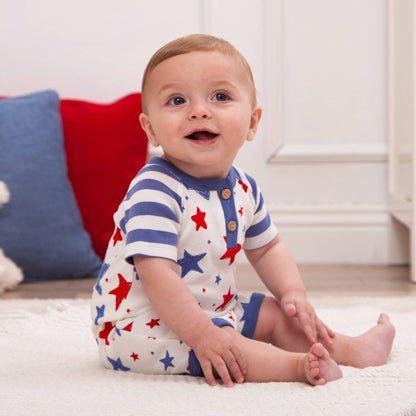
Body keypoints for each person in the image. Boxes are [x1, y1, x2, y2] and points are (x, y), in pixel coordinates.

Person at [91, 34, 395, 387]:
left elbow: (267, 248)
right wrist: (204, 336)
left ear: (251, 123)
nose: (199, 111)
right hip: (142, 327)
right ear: (151, 129)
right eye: (177, 100)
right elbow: (157, 275)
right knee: (228, 346)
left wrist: (292, 292)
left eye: (220, 97)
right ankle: (297, 367)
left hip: (214, 308)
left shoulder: (244, 188)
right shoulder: (154, 190)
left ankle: (351, 349)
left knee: (276, 314)